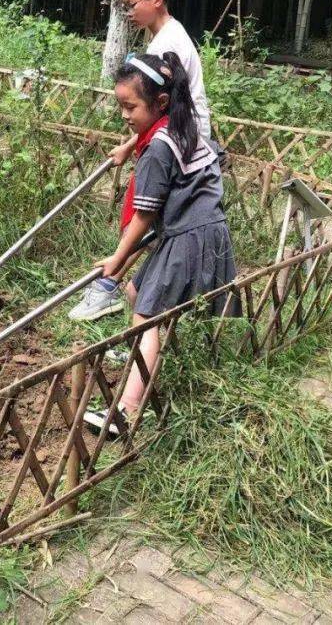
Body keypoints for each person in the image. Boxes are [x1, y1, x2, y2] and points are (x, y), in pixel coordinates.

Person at [82, 52, 234, 436]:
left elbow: (144, 216)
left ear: (160, 102)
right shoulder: (185, 124)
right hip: (208, 229)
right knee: (137, 292)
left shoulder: (158, 150)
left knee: (146, 318)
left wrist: (117, 260)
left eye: (129, 106)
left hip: (186, 237)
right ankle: (146, 355)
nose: (123, 115)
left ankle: (128, 410)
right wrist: (129, 146)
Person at [69, 0, 212, 322]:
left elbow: (166, 109)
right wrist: (131, 143)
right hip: (171, 136)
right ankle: (118, 284)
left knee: (144, 210)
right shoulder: (163, 37)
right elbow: (157, 111)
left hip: (180, 141)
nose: (129, 12)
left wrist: (137, 144)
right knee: (141, 207)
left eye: (133, 4)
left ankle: (109, 284)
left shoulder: (170, 44)